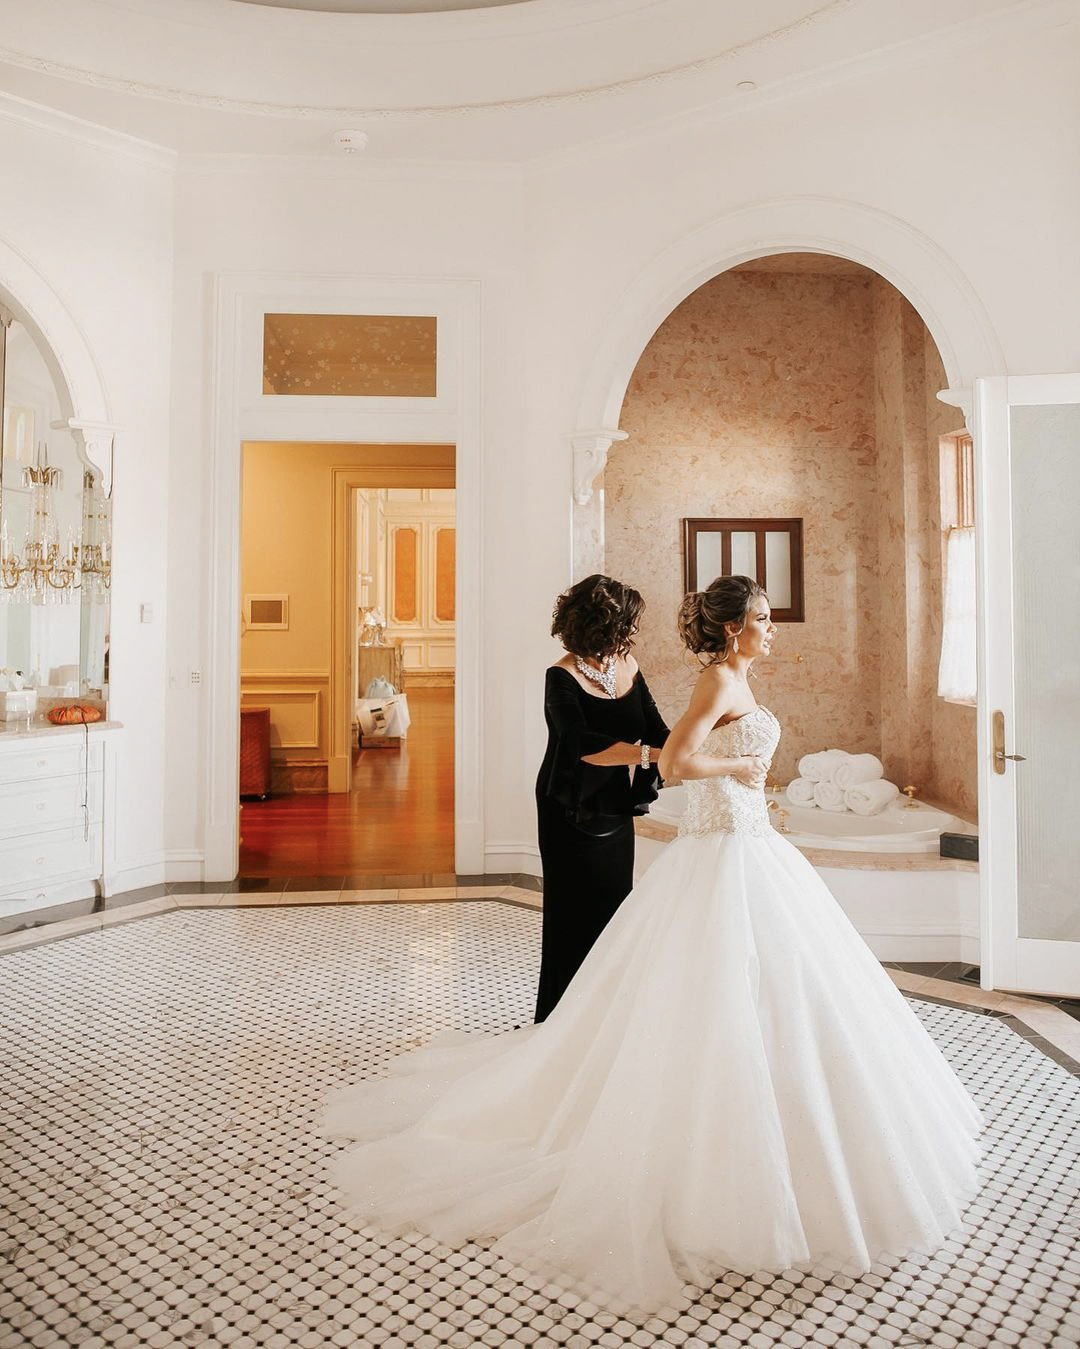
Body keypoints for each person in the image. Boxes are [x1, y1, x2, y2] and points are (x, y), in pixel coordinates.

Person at [322, 574, 984, 1314]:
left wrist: (738, 782)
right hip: (656, 833)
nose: (774, 628)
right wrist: (736, 768)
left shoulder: (713, 676)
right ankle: (580, 1046)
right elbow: (667, 759)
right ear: (734, 628)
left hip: (743, 842)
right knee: (644, 959)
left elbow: (675, 744)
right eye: (764, 619)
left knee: (742, 985)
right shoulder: (672, 680)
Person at [534, 573, 670, 1021]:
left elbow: (657, 729)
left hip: (613, 805)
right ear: (601, 625)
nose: (632, 633)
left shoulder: (628, 665)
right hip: (568, 807)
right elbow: (582, 746)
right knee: (571, 915)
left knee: (615, 908)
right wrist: (649, 753)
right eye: (626, 625)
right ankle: (561, 1020)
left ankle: (605, 1019)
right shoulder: (561, 676)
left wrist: (703, 741)